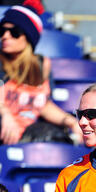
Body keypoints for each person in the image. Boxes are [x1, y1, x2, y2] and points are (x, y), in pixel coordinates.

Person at [0, 0, 82, 145]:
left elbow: (43, 105)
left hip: (28, 133)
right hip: (4, 130)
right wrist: (5, 114)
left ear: (29, 37)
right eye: (2, 31)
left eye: (14, 32)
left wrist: (70, 122)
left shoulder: (42, 64)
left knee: (56, 136)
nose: (5, 36)